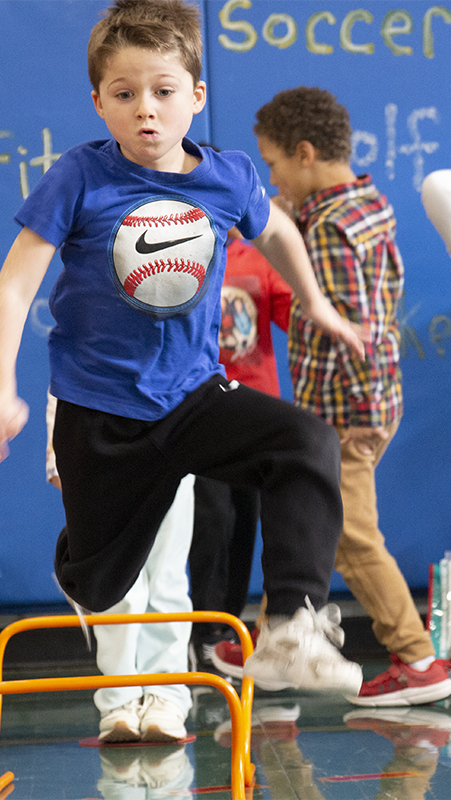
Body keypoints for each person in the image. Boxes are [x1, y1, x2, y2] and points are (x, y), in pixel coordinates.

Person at [0, 0, 366, 696]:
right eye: (123, 95)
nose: (144, 110)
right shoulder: (80, 178)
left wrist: (315, 301)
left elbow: (275, 232)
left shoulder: (226, 175)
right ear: (98, 102)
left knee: (304, 443)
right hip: (101, 412)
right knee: (101, 577)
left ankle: (291, 628)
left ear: (195, 97)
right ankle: (83, 566)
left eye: (162, 91)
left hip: (191, 397)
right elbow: (13, 288)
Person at [212, 86, 451, 707]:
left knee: (347, 535)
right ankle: (275, 640)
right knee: (301, 512)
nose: (271, 178)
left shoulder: (331, 230)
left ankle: (417, 657)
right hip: (355, 406)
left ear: (306, 153)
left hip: (348, 412)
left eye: (272, 164)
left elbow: (355, 329)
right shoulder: (367, 205)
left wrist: (354, 420)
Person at [46, 392, 195, 742]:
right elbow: (65, 380)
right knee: (115, 583)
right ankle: (119, 699)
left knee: (166, 579)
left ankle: (167, 695)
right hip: (102, 454)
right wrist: (57, 459)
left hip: (171, 445)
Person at [188, 228, 291, 672]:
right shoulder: (185, 258)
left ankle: (230, 622)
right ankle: (204, 628)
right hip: (205, 403)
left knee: (247, 517)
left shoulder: (260, 259)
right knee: (211, 515)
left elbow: (294, 316)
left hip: (258, 405)